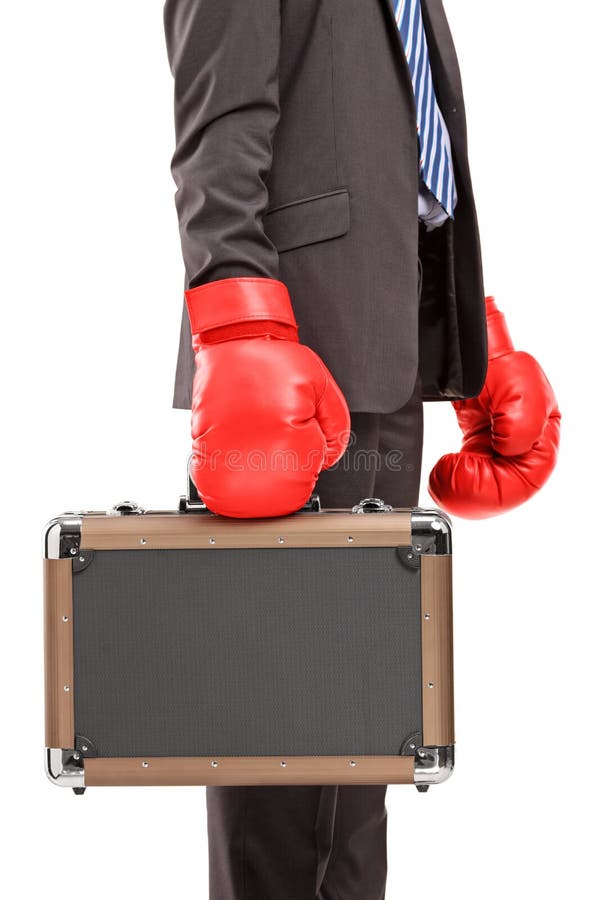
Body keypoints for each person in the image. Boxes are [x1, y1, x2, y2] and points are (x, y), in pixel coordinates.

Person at [163, 2, 559, 897]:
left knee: (361, 745)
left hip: (387, 365)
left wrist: (473, 339)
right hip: (294, 366)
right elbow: (216, 128)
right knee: (280, 743)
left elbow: (412, 160)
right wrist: (242, 327)